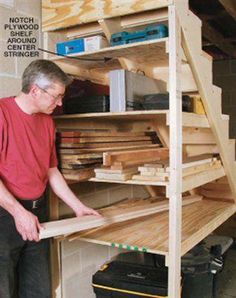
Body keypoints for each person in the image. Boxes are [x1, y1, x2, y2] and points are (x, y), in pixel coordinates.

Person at [0, 59, 100, 298]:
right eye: (56, 96)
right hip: (5, 213)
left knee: (38, 290)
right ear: (35, 90)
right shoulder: (2, 114)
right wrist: (18, 212)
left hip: (37, 212)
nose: (60, 102)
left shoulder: (47, 122)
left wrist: (78, 207)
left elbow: (51, 170)